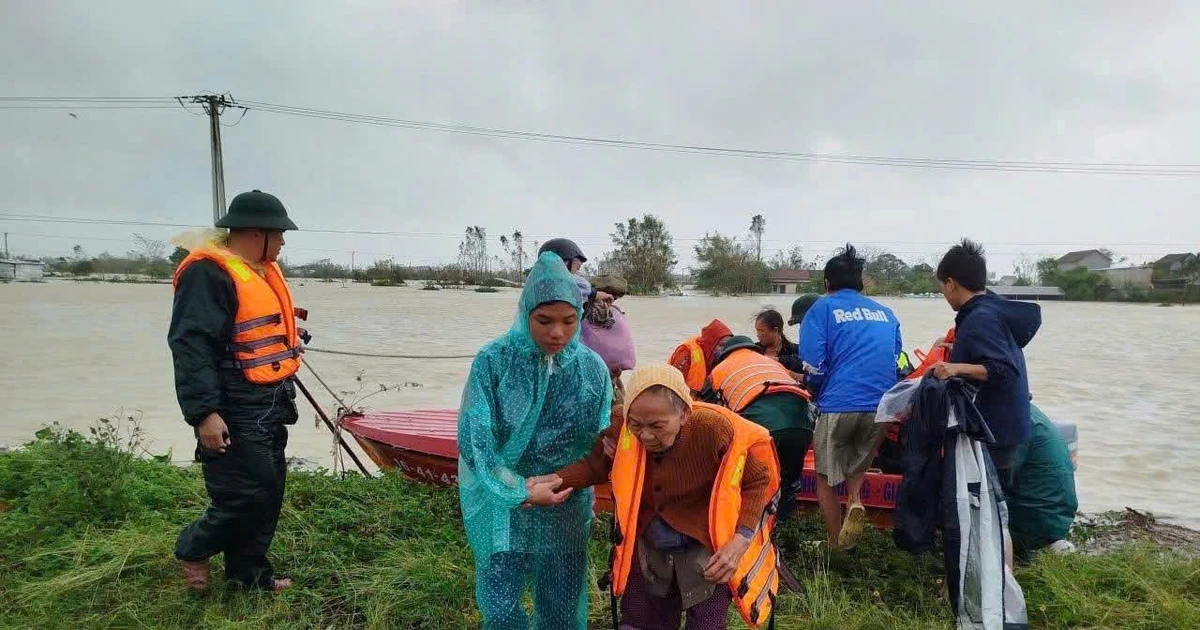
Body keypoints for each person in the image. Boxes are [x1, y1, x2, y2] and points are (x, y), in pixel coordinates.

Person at [537, 364, 781, 629]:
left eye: (657, 426)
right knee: (640, 622)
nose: (645, 435)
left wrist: (740, 541)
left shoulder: (712, 430)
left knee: (707, 624)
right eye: (636, 425)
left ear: (684, 414)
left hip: (705, 545)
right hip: (650, 544)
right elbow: (594, 465)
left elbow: (757, 479)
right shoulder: (621, 425)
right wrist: (554, 481)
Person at [457, 251, 612, 630]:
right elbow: (476, 440)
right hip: (504, 504)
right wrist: (518, 490)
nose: (557, 333)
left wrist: (567, 480)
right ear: (526, 314)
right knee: (502, 606)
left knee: (561, 605)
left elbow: (604, 442)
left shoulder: (591, 368)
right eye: (544, 321)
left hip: (566, 501)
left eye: (569, 321)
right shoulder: (493, 361)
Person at [169, 190, 302, 592]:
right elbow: (191, 345)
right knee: (246, 493)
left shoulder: (259, 269)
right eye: (279, 233)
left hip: (271, 399)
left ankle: (249, 576)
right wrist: (204, 413)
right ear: (256, 233)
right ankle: (194, 547)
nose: (283, 241)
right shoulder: (207, 274)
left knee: (270, 490)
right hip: (233, 403)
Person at [799, 244, 902, 550]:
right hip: (881, 407)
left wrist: (815, 392)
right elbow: (895, 357)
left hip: (838, 403)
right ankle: (855, 501)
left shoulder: (822, 308)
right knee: (857, 465)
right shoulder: (886, 313)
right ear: (860, 283)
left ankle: (836, 545)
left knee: (825, 478)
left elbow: (813, 364)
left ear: (826, 283)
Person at [930, 239, 1041, 495]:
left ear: (951, 283)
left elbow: (1004, 370)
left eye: (942, 287)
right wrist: (956, 349)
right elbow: (990, 353)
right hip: (1007, 425)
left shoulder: (980, 318)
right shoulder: (989, 310)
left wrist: (955, 368)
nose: (944, 294)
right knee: (993, 501)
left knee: (989, 504)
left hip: (995, 432)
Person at [703, 335, 814, 523]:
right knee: (789, 479)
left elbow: (708, 415)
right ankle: (781, 526)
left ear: (725, 354)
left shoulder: (719, 371)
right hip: (803, 424)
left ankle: (754, 527)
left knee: (753, 481)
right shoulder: (773, 364)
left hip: (762, 427)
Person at [1007, 403, 1079, 559]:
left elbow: (1000, 478)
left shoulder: (1015, 421)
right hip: (1060, 519)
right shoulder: (1032, 415)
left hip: (1035, 523)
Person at [538, 238, 613, 305]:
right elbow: (577, 286)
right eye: (576, 260)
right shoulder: (561, 283)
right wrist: (594, 294)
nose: (580, 263)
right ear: (564, 262)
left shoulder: (536, 285)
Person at [668, 319, 734, 394]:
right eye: (721, 345)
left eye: (727, 345)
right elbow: (672, 384)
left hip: (701, 397)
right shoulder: (688, 353)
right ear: (711, 343)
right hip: (682, 396)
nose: (724, 348)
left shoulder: (723, 359)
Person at [753, 308, 803, 377]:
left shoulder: (795, 350)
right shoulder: (754, 350)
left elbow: (804, 364)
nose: (758, 335)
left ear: (775, 330)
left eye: (761, 331)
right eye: (757, 330)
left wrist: (777, 360)